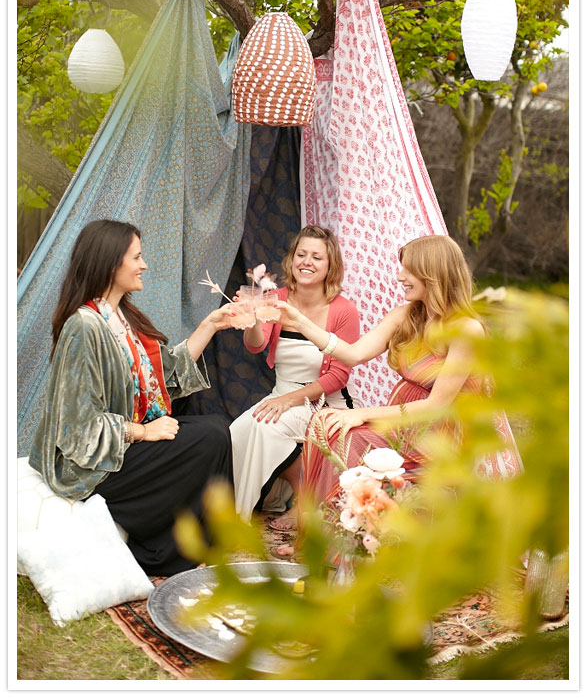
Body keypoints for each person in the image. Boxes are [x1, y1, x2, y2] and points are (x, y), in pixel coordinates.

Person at [29, 219, 235, 576]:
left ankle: (190, 546)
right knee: (209, 437)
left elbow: (160, 379)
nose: (144, 265)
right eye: (137, 257)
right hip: (91, 462)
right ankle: (159, 555)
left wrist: (211, 325)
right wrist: (142, 433)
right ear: (111, 264)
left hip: (122, 443)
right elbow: (77, 426)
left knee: (215, 429)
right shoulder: (84, 327)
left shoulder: (120, 316)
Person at [275, 234, 488, 507]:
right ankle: (321, 525)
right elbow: (353, 354)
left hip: (438, 434)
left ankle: (352, 529)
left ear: (432, 273)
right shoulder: (408, 315)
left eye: (408, 270)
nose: (400, 277)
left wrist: (360, 414)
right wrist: (300, 321)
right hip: (401, 421)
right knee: (323, 423)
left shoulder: (466, 329)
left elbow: (437, 405)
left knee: (349, 438)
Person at [229, 225, 361, 525]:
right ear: (291, 259)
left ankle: (299, 504)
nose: (307, 262)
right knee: (237, 432)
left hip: (325, 401)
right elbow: (256, 345)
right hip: (283, 394)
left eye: (317, 257)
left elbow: (338, 376)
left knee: (268, 428)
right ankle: (261, 506)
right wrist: (251, 318)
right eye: (301, 254)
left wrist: (290, 400)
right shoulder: (276, 298)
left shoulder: (344, 310)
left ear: (331, 266)